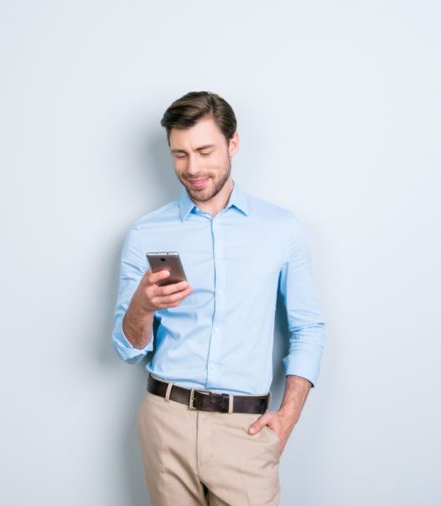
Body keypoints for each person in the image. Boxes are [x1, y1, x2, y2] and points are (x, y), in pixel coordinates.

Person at [111, 91, 326, 506]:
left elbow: (307, 328)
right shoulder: (146, 233)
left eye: (205, 151)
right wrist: (141, 305)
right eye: (180, 154)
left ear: (233, 144)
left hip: (244, 430)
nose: (192, 168)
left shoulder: (281, 229)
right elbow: (127, 351)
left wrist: (287, 417)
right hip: (165, 421)